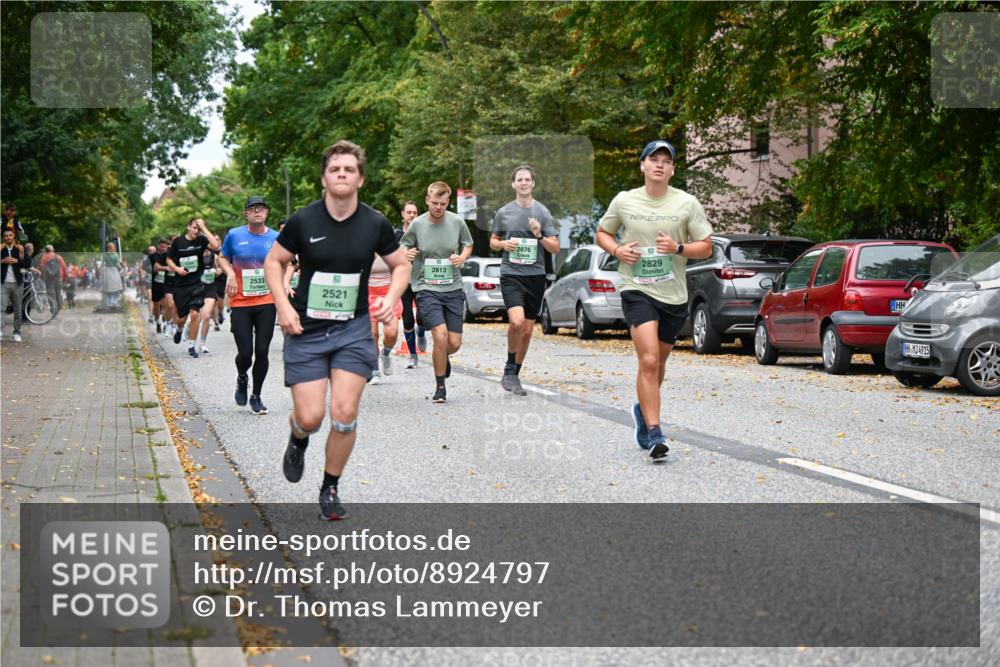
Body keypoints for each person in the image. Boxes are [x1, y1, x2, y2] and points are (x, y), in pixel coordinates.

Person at [264, 140, 409, 520]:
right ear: (324, 178)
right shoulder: (303, 221)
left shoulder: (374, 223)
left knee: (344, 413)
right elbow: (273, 263)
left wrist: (389, 299)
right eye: (334, 169)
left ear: (360, 179)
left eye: (349, 169)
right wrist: (282, 305)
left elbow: (401, 266)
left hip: (353, 330)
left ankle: (330, 487)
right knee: (311, 418)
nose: (341, 174)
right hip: (306, 329)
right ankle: (298, 437)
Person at [595, 140, 713, 460]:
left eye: (666, 160)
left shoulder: (686, 203)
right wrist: (617, 250)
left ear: (673, 169)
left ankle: (642, 410)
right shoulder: (625, 200)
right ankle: (654, 431)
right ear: (643, 165)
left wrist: (678, 248)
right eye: (653, 159)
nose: (659, 164)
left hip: (673, 294)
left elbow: (706, 246)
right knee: (647, 360)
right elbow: (602, 233)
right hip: (636, 288)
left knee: (658, 364)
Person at [400, 181, 474, 404]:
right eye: (434, 203)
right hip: (426, 286)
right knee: (440, 335)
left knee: (453, 343)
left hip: (452, 287)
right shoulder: (418, 224)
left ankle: (443, 356)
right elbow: (404, 245)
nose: (438, 207)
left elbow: (468, 244)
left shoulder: (457, 221)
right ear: (427, 200)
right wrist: (407, 253)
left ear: (448, 202)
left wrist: (462, 257)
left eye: (442, 203)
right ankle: (440, 386)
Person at [489, 164, 560, 395]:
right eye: (519, 179)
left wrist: (539, 235)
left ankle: (514, 375)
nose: (523, 183)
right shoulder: (504, 212)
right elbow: (493, 240)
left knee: (528, 331)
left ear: (533, 183)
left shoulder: (542, 212)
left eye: (527, 179)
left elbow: (555, 248)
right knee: (517, 322)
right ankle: (509, 367)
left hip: (535, 276)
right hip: (511, 274)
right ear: (513, 184)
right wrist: (502, 244)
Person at [218, 197, 279, 414]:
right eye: (252, 209)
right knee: (245, 353)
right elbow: (222, 258)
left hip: (267, 301)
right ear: (246, 214)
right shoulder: (234, 235)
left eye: (261, 208)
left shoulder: (276, 238)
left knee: (262, 351)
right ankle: (242, 377)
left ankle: (256, 396)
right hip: (241, 301)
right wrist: (231, 274)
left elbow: (288, 262)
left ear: (267, 213)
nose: (257, 211)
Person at [167, 218, 221, 357]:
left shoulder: (202, 240)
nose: (197, 230)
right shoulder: (178, 242)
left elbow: (215, 246)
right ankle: (179, 329)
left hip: (197, 284)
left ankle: (192, 346)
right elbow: (169, 259)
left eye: (199, 228)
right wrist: (177, 269)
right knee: (182, 319)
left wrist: (204, 227)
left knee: (195, 314)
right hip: (181, 285)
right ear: (188, 227)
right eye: (194, 228)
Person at [397, 201, 426, 368]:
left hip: (421, 279)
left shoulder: (423, 233)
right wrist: (404, 254)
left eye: (415, 212)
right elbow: (389, 256)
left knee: (422, 317)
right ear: (403, 214)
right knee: (408, 319)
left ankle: (421, 333)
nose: (412, 215)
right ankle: (413, 355)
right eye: (409, 212)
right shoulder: (396, 234)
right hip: (404, 281)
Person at [1, 229, 29, 342]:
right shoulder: (1, 249)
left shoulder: (20, 249)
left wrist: (16, 260)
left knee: (18, 310)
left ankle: (17, 332)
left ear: (14, 237)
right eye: (6, 236)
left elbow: (27, 264)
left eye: (10, 235)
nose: (8, 237)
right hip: (3, 284)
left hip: (17, 284)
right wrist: (2, 261)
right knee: (1, 309)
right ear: (3, 238)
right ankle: (0, 332)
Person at [193, 246, 222, 355]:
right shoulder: (195, 255)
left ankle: (202, 344)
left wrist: (218, 270)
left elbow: (221, 266)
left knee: (206, 315)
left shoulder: (214, 256)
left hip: (210, 288)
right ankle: (190, 333)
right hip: (197, 288)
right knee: (196, 317)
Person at [38, 245, 68, 311]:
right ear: (53, 250)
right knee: (58, 293)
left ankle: (53, 308)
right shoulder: (59, 257)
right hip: (59, 277)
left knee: (50, 293)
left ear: (46, 250)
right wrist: (65, 279)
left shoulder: (44, 257)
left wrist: (42, 277)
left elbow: (41, 267)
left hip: (49, 278)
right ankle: (59, 306)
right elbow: (64, 268)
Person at [149, 239, 170, 333]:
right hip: (156, 283)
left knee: (166, 303)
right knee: (157, 305)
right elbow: (149, 268)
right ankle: (158, 322)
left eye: (165, 247)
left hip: (167, 282)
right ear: (158, 246)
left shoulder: (169, 255)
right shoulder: (152, 256)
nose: (163, 248)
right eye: (161, 246)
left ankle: (165, 320)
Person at [103, 242, 125, 310]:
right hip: (114, 271)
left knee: (108, 288)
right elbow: (118, 264)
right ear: (113, 247)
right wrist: (122, 269)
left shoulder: (105, 255)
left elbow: (103, 263)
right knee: (115, 287)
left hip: (107, 271)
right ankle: (114, 302)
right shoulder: (115, 255)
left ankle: (108, 303)